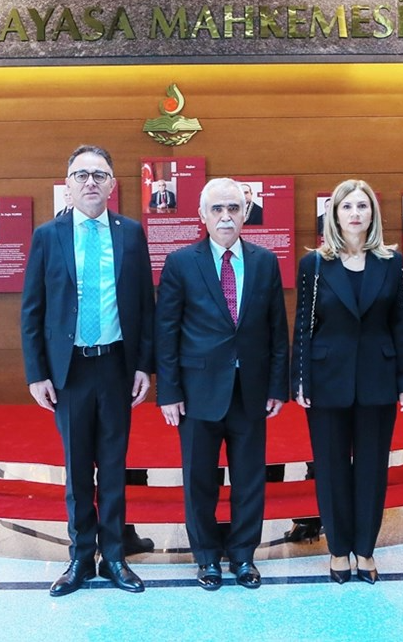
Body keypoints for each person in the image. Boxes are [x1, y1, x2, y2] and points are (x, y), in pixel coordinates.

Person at [20, 145, 155, 597]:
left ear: (112, 185)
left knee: (114, 466)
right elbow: (33, 310)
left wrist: (144, 365)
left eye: (99, 174)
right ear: (68, 185)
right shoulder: (48, 236)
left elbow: (145, 305)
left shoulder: (131, 234)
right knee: (78, 468)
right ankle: (80, 557)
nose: (91, 182)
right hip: (70, 370)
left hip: (116, 365)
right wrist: (37, 372)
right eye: (81, 175)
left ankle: (114, 555)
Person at [155, 177, 289, 592]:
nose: (226, 216)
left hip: (251, 390)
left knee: (249, 478)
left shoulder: (265, 262)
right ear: (202, 215)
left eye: (233, 208)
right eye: (217, 209)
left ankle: (244, 555)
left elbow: (277, 329)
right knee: (199, 480)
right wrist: (169, 392)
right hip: (197, 392)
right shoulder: (181, 262)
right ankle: (207, 557)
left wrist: (277, 386)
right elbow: (166, 332)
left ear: (245, 213)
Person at [292, 179, 403, 585]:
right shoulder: (314, 264)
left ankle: (365, 550)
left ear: (373, 214)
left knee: (372, 469)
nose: (355, 213)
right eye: (347, 207)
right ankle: (338, 550)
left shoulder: (390, 262)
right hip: (327, 380)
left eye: (362, 206)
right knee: (330, 469)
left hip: (378, 379)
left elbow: (400, 322)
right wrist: (300, 378)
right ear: (334, 215)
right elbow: (304, 326)